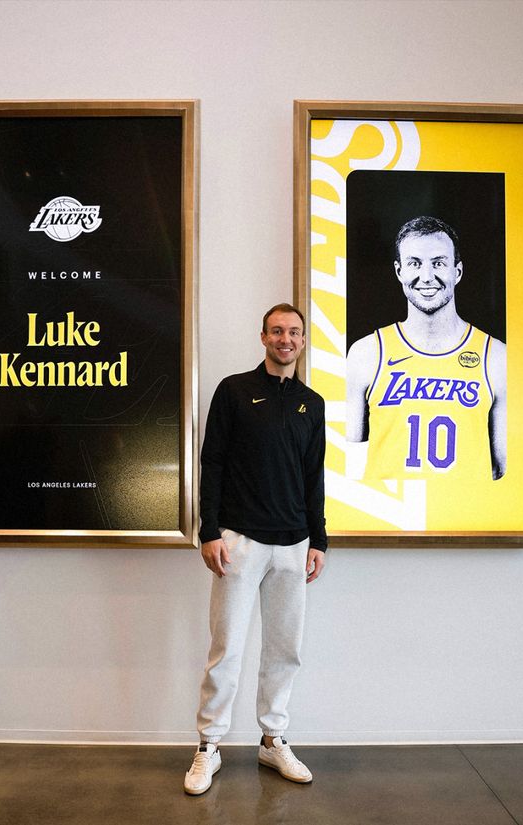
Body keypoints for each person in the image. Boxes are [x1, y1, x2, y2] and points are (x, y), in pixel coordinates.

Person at [184, 303, 327, 795]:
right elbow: (213, 462)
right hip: (239, 541)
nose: (286, 339)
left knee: (285, 649)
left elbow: (313, 477)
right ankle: (209, 746)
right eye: (277, 331)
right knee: (226, 648)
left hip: (294, 545)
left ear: (303, 341)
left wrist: (318, 540)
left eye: (294, 332)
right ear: (263, 337)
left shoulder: (312, 403)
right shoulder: (234, 391)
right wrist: (209, 532)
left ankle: (272, 739)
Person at [346, 216, 506, 481]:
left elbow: (502, 471)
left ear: (457, 271)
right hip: (389, 508)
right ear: (399, 271)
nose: (427, 277)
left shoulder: (496, 356)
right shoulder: (366, 353)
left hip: (464, 507)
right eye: (415, 263)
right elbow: (349, 463)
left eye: (439, 263)